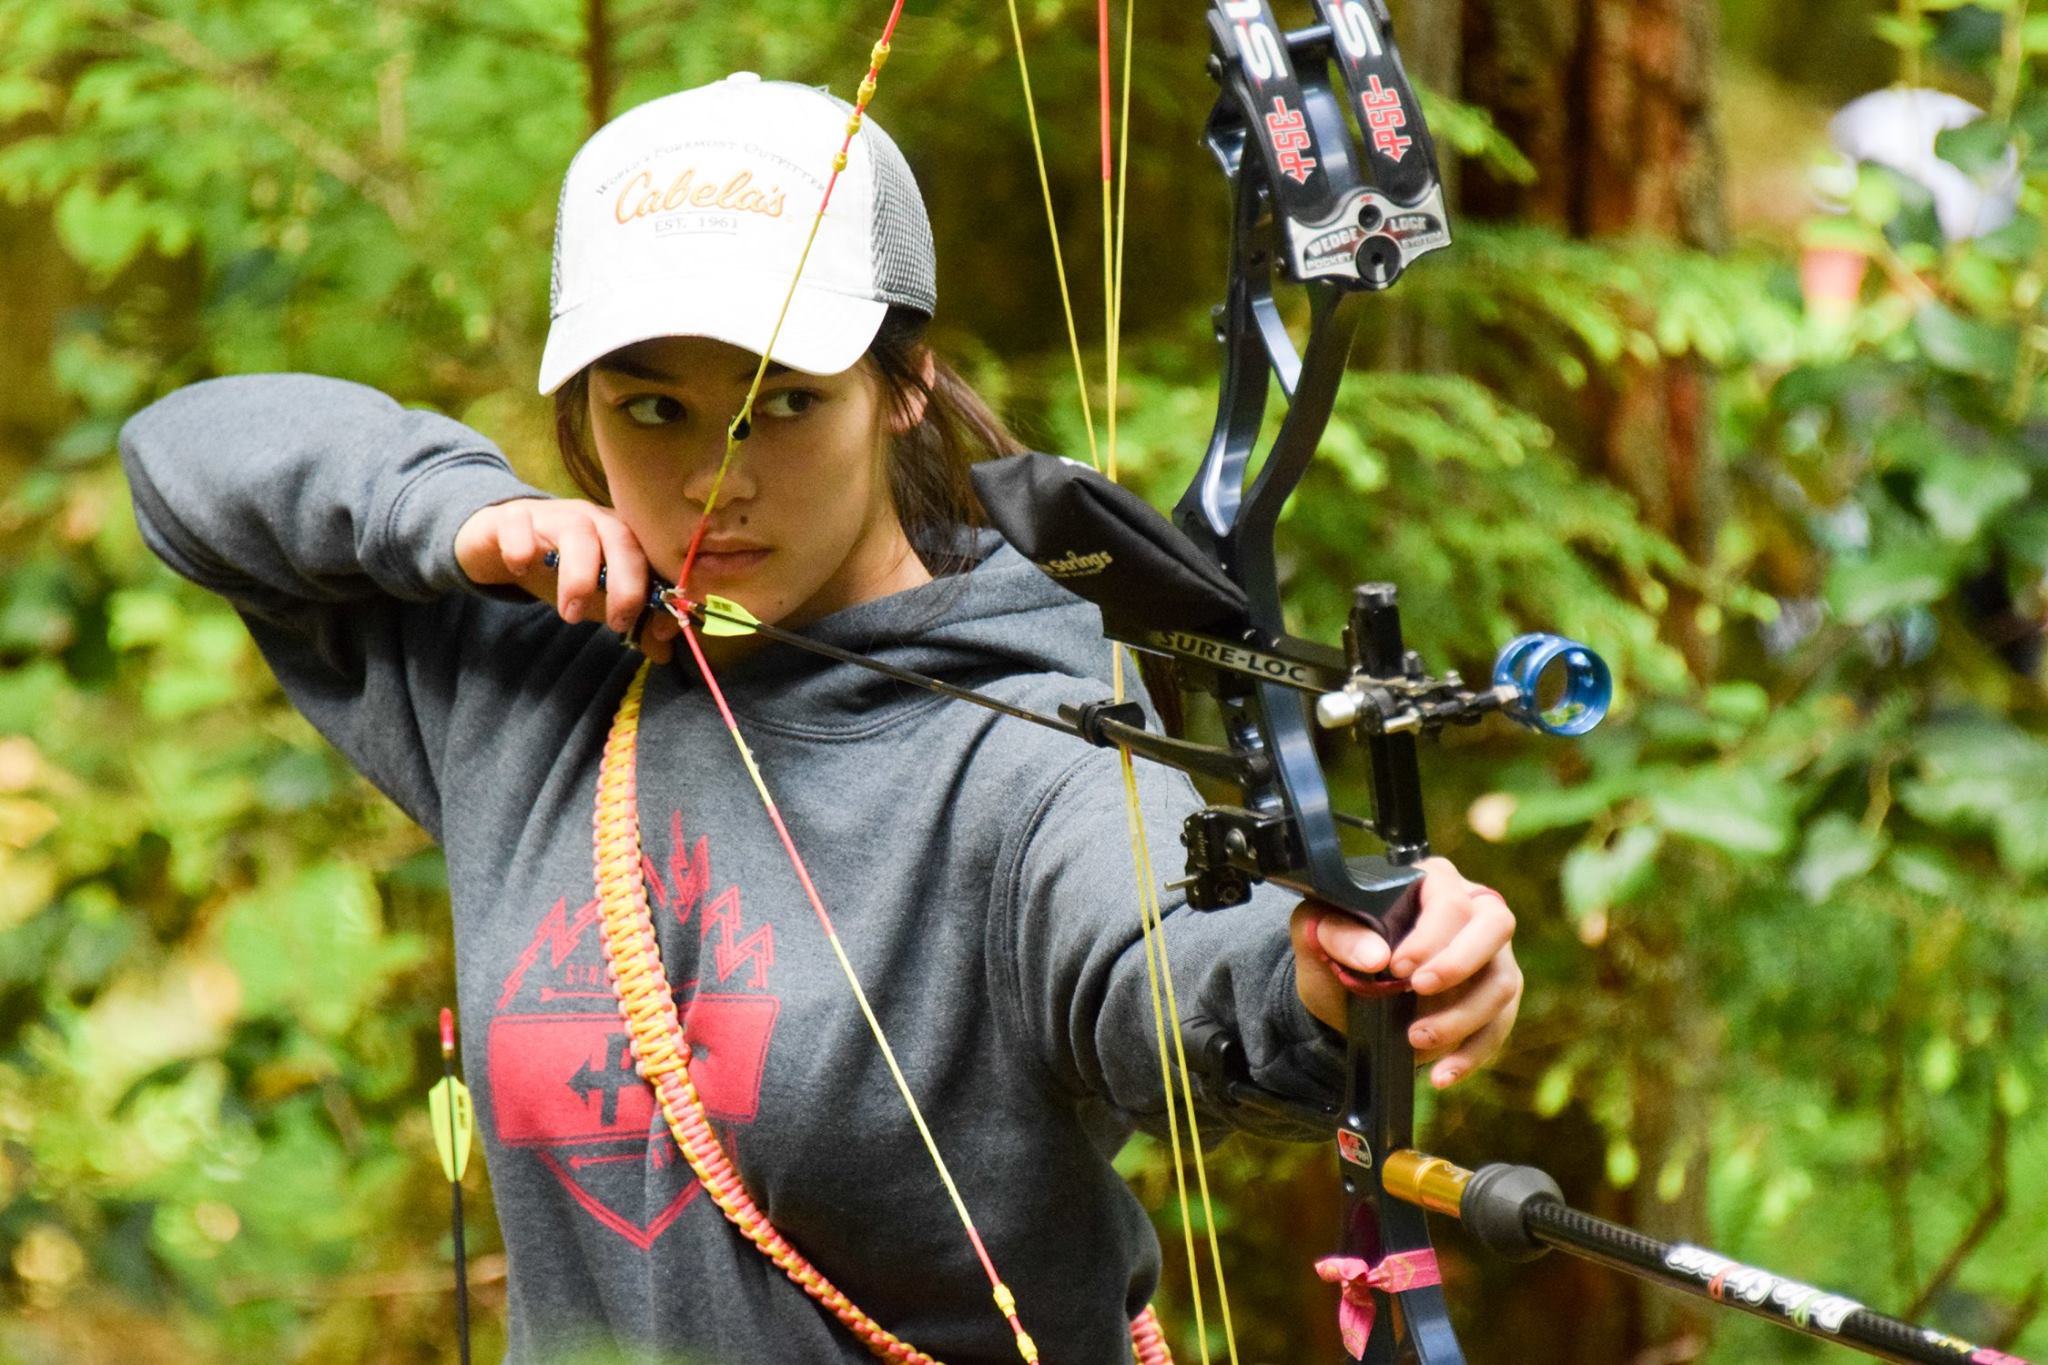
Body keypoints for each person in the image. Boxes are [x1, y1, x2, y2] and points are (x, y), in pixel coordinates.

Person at [120, 75, 1524, 1364]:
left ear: (902, 385)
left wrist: (1336, 977)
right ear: (579, 407)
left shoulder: (1030, 736)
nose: (711, 480)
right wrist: (455, 512)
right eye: (651, 406)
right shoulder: (534, 675)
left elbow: (1161, 953)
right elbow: (186, 460)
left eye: (782, 403)